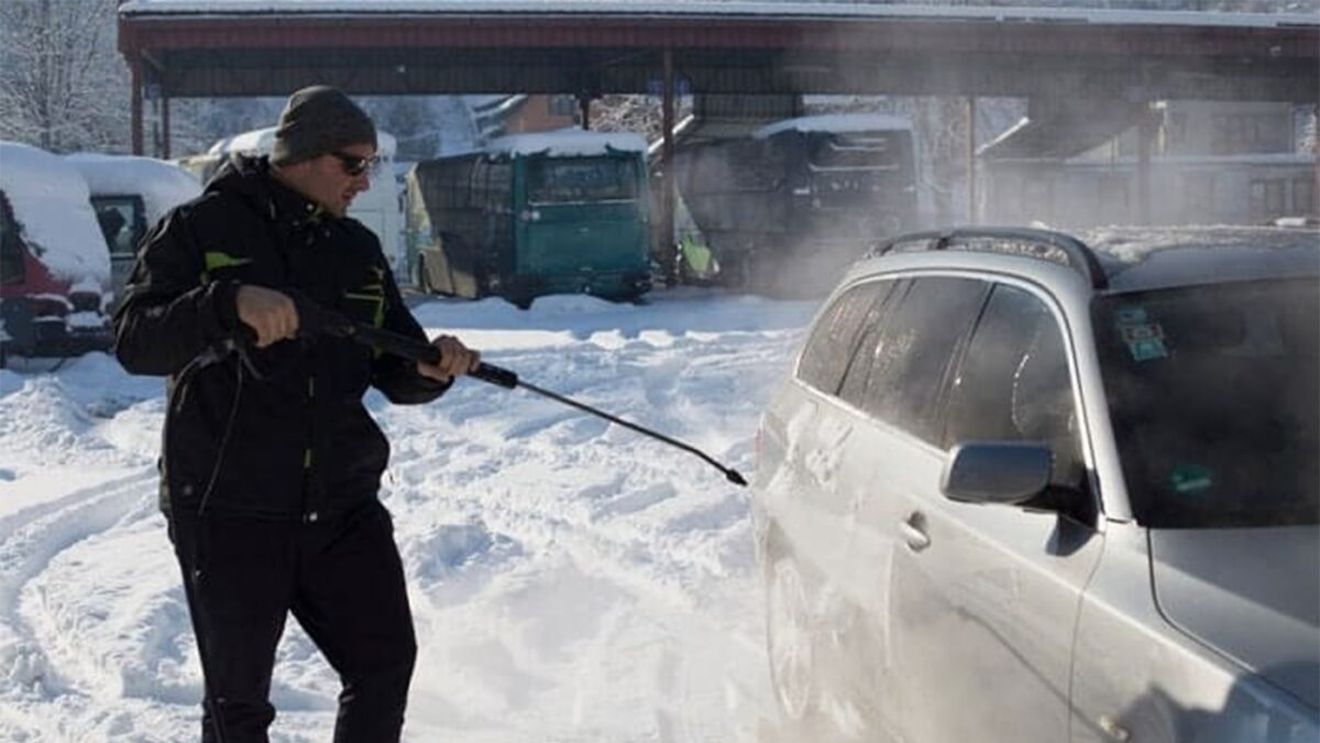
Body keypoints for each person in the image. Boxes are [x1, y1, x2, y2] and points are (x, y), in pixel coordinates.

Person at [113, 85, 479, 742]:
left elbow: (391, 359)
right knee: (238, 705)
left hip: (340, 505)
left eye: (371, 166)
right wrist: (226, 303)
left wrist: (428, 369)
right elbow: (135, 338)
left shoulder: (357, 249)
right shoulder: (201, 230)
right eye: (352, 163)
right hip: (229, 510)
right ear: (303, 156)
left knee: (384, 662)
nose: (364, 181)